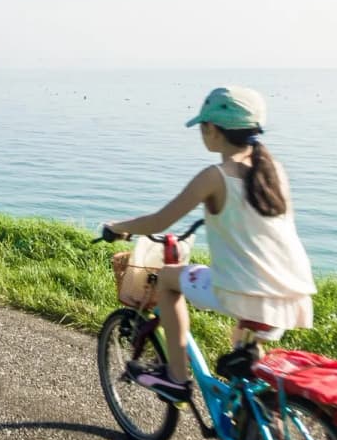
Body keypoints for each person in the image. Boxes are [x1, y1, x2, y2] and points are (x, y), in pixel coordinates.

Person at [101, 85, 316, 402]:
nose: (202, 132)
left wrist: (117, 228)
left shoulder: (215, 176)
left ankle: (175, 377)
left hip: (243, 289)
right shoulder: (273, 171)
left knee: (168, 278)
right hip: (291, 293)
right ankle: (251, 421)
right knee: (244, 358)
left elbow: (161, 221)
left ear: (214, 130)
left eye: (203, 126)